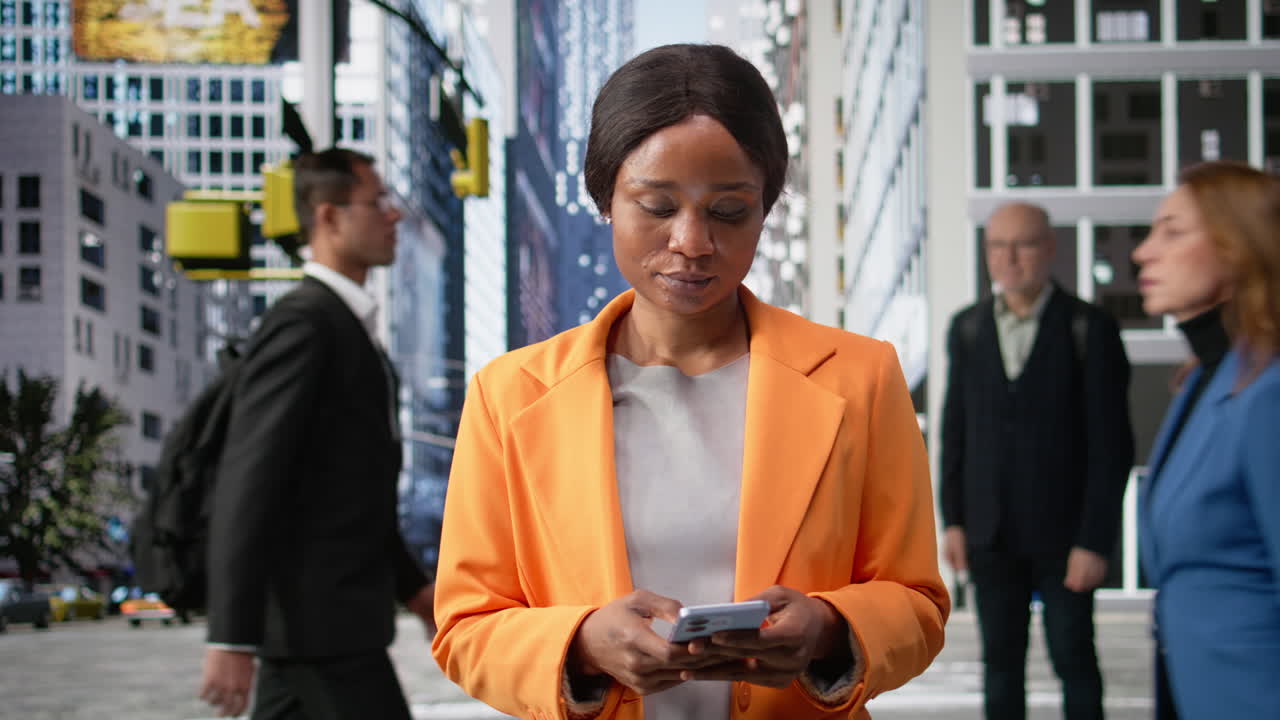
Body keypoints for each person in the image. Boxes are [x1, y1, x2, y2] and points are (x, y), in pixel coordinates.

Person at [430, 44, 948, 720]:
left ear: (765, 209)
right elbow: (466, 626)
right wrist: (580, 645)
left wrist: (828, 628)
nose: (693, 241)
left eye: (729, 211)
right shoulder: (511, 395)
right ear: (605, 201)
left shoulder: (860, 378)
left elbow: (916, 602)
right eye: (656, 205)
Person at [197, 148, 435, 719]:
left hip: (330, 629)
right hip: (320, 631)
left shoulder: (347, 328)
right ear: (328, 217)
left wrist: (413, 586)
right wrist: (230, 637)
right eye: (376, 201)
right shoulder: (304, 324)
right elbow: (248, 479)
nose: (393, 215)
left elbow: (349, 493)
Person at [939, 202, 1134, 720]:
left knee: (1075, 662)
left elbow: (1111, 446)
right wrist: (953, 520)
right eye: (996, 247)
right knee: (999, 670)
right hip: (990, 536)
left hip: (1065, 539)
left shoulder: (1088, 329)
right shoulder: (968, 328)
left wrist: (1094, 541)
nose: (1009, 259)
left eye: (1022, 245)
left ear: (1049, 249)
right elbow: (955, 432)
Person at [1132, 160, 1280, 719]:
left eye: (1173, 232)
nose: (1145, 252)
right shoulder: (1203, 380)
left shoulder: (1268, 392)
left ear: (1240, 247)